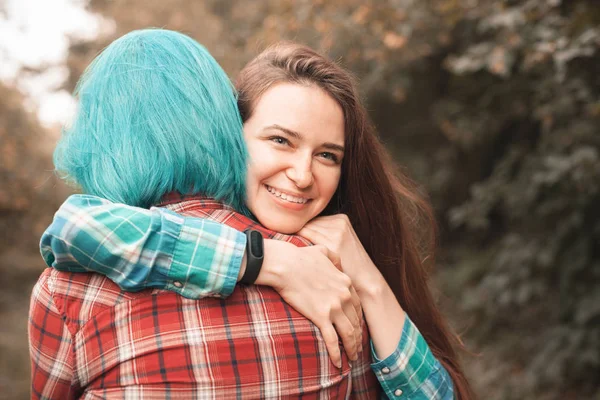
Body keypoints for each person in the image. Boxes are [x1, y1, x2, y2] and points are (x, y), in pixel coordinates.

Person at [37, 35, 474, 399]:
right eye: (281, 140)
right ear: (231, 135)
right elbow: (75, 225)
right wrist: (269, 260)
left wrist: (369, 279)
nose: (303, 176)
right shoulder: (310, 270)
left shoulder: (335, 279)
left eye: (327, 155)